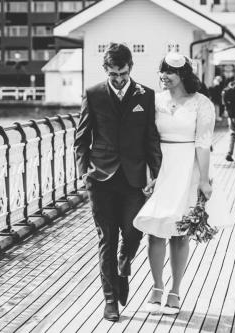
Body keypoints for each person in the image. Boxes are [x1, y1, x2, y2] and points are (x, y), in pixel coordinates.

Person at [133, 52, 229, 315]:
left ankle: (175, 290)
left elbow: (203, 143)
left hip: (188, 167)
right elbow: (147, 138)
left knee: (179, 231)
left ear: (183, 74)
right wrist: (149, 174)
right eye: (161, 71)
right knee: (155, 228)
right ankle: (156, 287)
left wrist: (204, 180)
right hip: (160, 168)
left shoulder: (202, 103)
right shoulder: (155, 101)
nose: (163, 76)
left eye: (169, 72)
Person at [74, 43, 162, 322]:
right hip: (100, 178)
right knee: (106, 240)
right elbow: (81, 138)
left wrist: (156, 174)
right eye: (113, 74)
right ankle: (110, 300)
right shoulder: (93, 94)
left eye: (123, 73)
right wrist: (82, 172)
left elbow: (151, 139)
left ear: (130, 68)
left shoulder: (145, 96)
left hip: (134, 178)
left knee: (134, 231)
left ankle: (124, 264)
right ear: (105, 70)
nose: (119, 79)